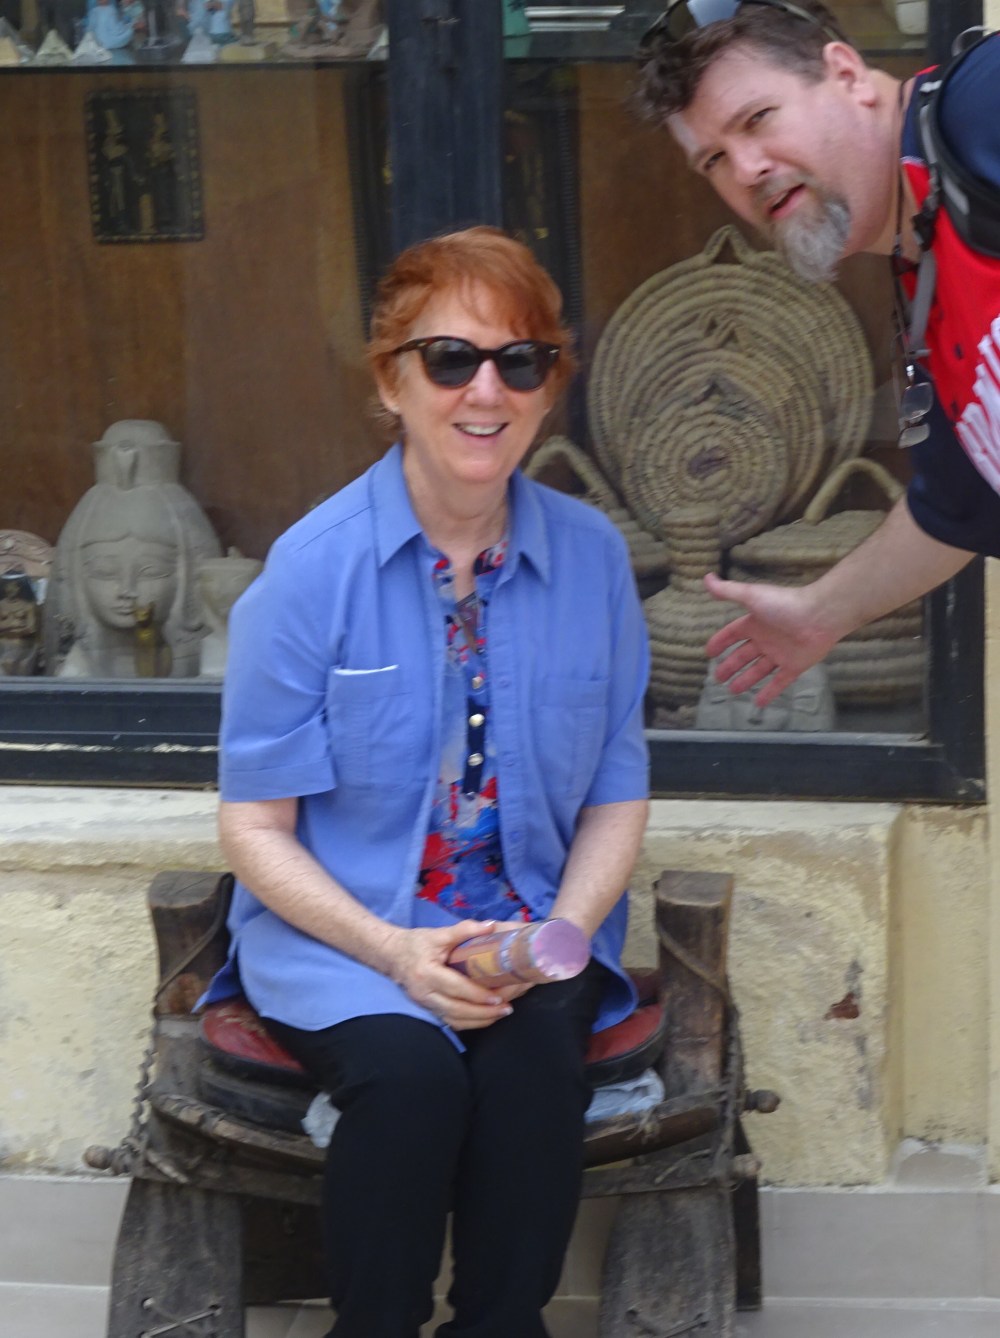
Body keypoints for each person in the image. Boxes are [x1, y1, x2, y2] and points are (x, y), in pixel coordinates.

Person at [202, 226, 651, 1338]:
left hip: (529, 926)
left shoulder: (594, 558)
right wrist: (395, 952)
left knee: (535, 1078)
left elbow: (615, 793)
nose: (485, 391)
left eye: (520, 360)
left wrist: (559, 937)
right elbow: (255, 827)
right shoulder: (309, 573)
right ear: (390, 381)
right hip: (349, 936)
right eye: (450, 359)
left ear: (551, 384)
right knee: (410, 1084)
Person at [635, 0, 1000, 705]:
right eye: (714, 159)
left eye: (757, 119)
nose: (746, 170)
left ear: (846, 74)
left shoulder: (979, 105)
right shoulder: (922, 283)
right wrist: (821, 612)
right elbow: (958, 508)